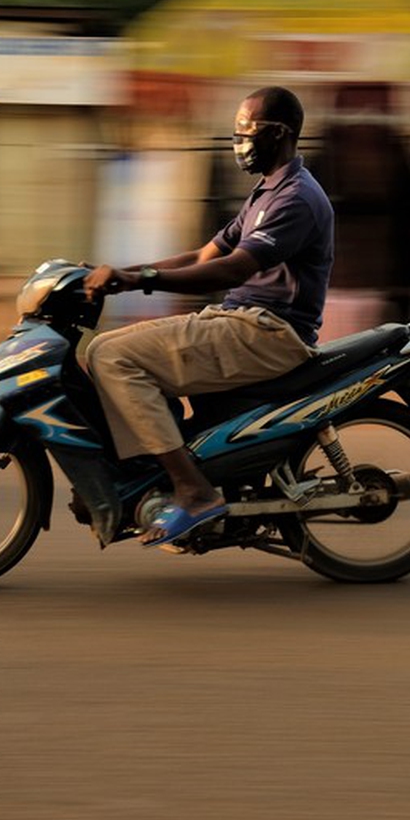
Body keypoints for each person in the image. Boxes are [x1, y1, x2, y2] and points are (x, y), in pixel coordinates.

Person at [80, 86, 334, 547]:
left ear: (279, 134)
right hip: (238, 321)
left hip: (265, 332)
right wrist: (120, 274)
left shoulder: (294, 198)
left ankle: (194, 491)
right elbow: (202, 254)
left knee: (114, 357)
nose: (238, 141)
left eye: (246, 131)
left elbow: (233, 267)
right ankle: (158, 472)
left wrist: (141, 281)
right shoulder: (266, 192)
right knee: (103, 347)